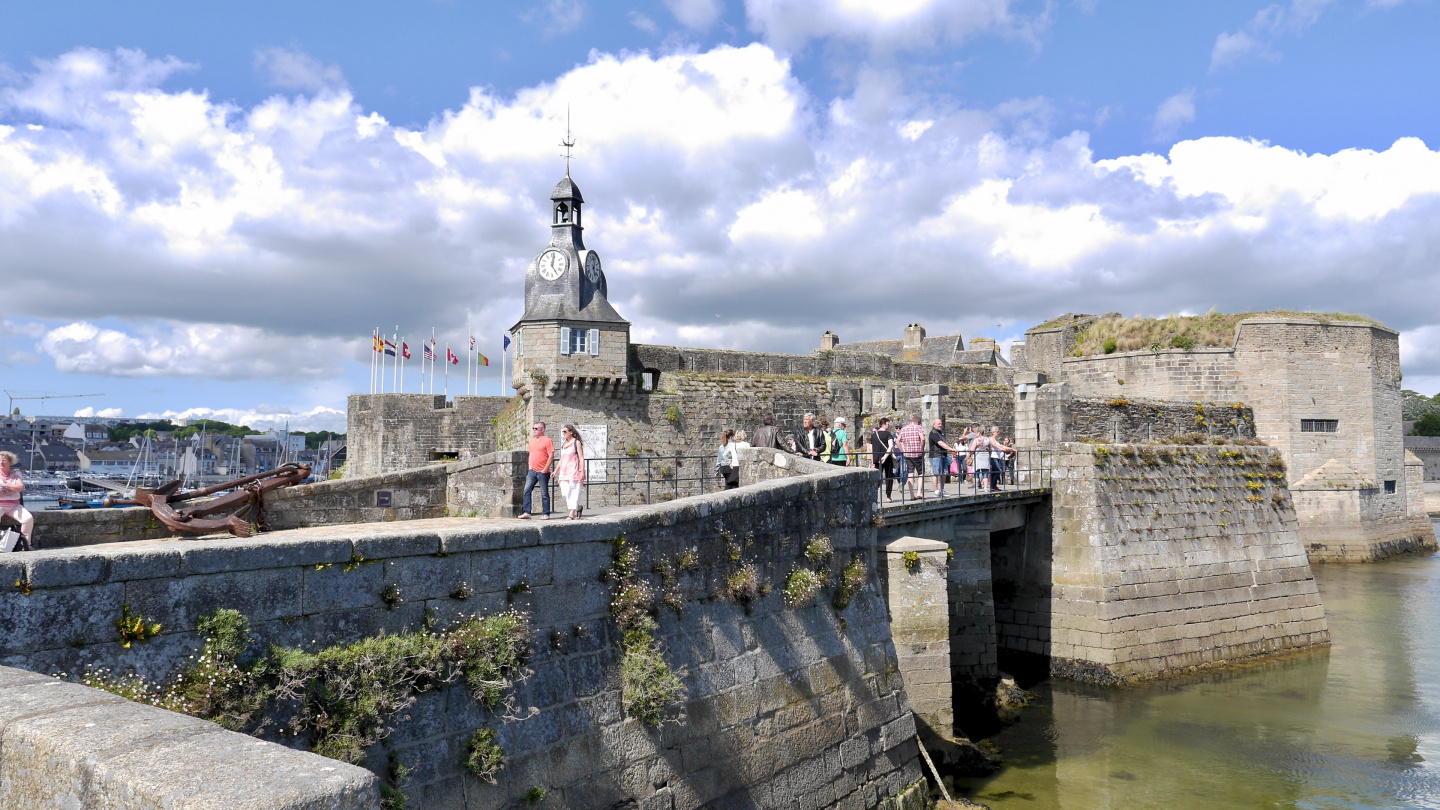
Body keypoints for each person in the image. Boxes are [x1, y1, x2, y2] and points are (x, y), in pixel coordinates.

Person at [519, 422, 554, 520]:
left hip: (543, 471)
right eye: (533, 428)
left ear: (542, 430)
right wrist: (530, 467)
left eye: (536, 428)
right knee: (527, 490)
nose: (534, 430)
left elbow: (551, 456)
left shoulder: (547, 441)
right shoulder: (531, 441)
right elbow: (531, 454)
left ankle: (546, 513)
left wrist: (545, 469)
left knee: (544, 493)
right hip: (532, 471)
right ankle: (527, 512)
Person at [0, 451, 33, 550]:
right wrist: (11, 490)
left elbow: (20, 487)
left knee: (28, 519)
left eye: (4, 460)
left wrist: (4, 486)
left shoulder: (16, 474)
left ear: (10, 462)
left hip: (14, 505)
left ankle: (26, 544)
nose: (1, 463)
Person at [555, 425, 586, 520]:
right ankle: (578, 507)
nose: (563, 433)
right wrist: (556, 471)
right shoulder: (564, 444)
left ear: (571, 432)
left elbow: (581, 457)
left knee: (574, 492)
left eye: (565, 431)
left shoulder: (577, 443)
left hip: (574, 470)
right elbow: (562, 459)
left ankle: (571, 514)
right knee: (565, 492)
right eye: (563, 432)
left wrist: (583, 471)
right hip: (564, 472)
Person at [896, 414, 926, 499]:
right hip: (917, 454)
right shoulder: (918, 427)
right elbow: (923, 438)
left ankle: (912, 495)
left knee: (910, 473)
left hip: (908, 454)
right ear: (917, 422)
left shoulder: (904, 429)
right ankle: (919, 492)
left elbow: (898, 441)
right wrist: (922, 449)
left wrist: (902, 451)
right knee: (921, 473)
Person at [869, 417, 897, 502]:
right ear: (883, 424)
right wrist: (885, 456)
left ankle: (874, 497)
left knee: (877, 478)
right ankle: (888, 497)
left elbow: (871, 449)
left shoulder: (873, 435)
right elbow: (891, 446)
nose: (889, 425)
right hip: (887, 458)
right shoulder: (888, 434)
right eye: (888, 424)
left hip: (877, 459)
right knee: (889, 477)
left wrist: (872, 461)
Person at [928, 419, 957, 497]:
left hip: (943, 455)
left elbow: (944, 443)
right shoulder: (933, 433)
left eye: (941, 424)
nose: (940, 425)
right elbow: (940, 443)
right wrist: (951, 449)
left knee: (944, 473)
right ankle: (936, 491)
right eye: (938, 424)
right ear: (934, 425)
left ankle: (942, 490)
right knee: (936, 473)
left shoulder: (941, 433)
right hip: (935, 456)